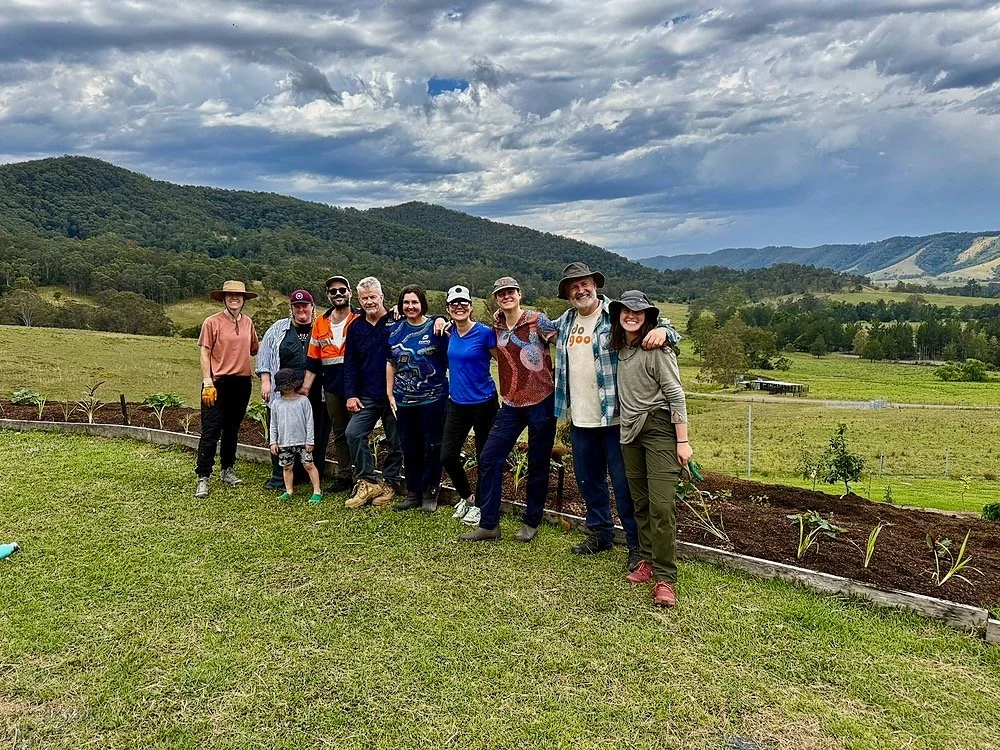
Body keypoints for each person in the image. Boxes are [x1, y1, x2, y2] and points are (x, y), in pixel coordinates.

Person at [552, 261, 670, 571]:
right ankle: (601, 534)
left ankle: (636, 545)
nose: (581, 289)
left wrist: (662, 330)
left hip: (616, 419)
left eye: (585, 282)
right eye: (573, 286)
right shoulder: (565, 322)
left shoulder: (615, 316)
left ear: (596, 284)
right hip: (581, 418)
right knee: (589, 481)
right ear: (567, 293)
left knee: (625, 485)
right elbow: (534, 325)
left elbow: (663, 325)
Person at [610, 290, 692, 608]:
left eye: (639, 312)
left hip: (658, 429)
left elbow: (676, 395)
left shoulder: (657, 347)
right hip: (629, 432)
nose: (632, 316)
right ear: (618, 316)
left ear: (648, 318)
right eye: (627, 311)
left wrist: (682, 441)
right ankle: (646, 560)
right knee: (639, 502)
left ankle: (665, 577)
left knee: (661, 505)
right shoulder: (620, 349)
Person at [461, 277, 557, 543]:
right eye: (500, 294)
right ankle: (489, 524)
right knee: (490, 456)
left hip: (542, 401)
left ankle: (531, 521)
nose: (506, 296)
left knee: (538, 462)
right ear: (496, 298)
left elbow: (566, 338)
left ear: (519, 293)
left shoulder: (538, 320)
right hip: (511, 404)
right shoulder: (497, 324)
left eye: (510, 292)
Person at [257, 289, 331, 489]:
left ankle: (311, 472)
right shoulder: (278, 328)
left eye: (305, 305)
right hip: (284, 391)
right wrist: (266, 381)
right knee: (284, 430)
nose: (301, 310)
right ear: (291, 308)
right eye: (296, 306)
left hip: (316, 391)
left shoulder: (322, 327)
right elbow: (264, 355)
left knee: (314, 430)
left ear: (312, 307)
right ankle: (281, 476)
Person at [439, 285, 499, 527]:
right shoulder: (447, 332)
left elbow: (503, 362)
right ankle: (468, 498)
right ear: (448, 309)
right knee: (448, 456)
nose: (459, 306)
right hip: (457, 404)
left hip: (484, 403)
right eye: (454, 303)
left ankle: (483, 507)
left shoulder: (485, 333)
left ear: (471, 307)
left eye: (464, 302)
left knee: (484, 457)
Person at [386, 285, 449, 513]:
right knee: (409, 446)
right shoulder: (394, 330)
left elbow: (449, 359)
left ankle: (430, 492)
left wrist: (443, 318)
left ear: (422, 303)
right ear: (401, 305)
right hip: (404, 401)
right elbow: (390, 362)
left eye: (414, 302)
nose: (410, 306)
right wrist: (389, 392)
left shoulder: (436, 328)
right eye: (406, 303)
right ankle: (413, 492)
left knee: (432, 446)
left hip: (433, 399)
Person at [194, 280, 260, 498]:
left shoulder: (248, 322)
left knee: (232, 428)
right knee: (211, 429)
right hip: (217, 383)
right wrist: (207, 381)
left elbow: (253, 349)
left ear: (244, 300)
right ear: (223, 297)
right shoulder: (212, 323)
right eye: (230, 295)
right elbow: (204, 353)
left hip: (241, 382)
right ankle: (203, 476)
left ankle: (227, 470)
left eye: (239, 296)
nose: (235, 298)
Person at [343, 277, 403, 509]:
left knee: (396, 440)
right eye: (364, 298)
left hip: (395, 393)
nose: (369, 302)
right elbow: (350, 364)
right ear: (359, 300)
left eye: (373, 297)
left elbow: (423, 321)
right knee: (353, 433)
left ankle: (390, 482)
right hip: (367, 394)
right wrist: (351, 394)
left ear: (382, 297)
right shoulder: (356, 327)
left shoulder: (396, 320)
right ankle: (367, 480)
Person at [301, 275, 360, 493]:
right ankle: (345, 476)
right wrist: (305, 388)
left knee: (358, 433)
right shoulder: (320, 322)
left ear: (350, 293)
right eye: (333, 291)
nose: (338, 294)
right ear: (328, 295)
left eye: (342, 290)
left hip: (357, 387)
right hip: (333, 387)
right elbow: (313, 359)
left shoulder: (360, 318)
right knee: (340, 433)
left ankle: (362, 477)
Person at [268, 368, 323, 504]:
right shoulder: (276, 404)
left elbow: (309, 422)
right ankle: (289, 490)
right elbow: (273, 424)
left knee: (309, 465)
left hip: (303, 442)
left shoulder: (303, 401)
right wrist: (273, 442)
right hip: (284, 442)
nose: (287, 388)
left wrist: (310, 441)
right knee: (287, 467)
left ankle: (317, 490)